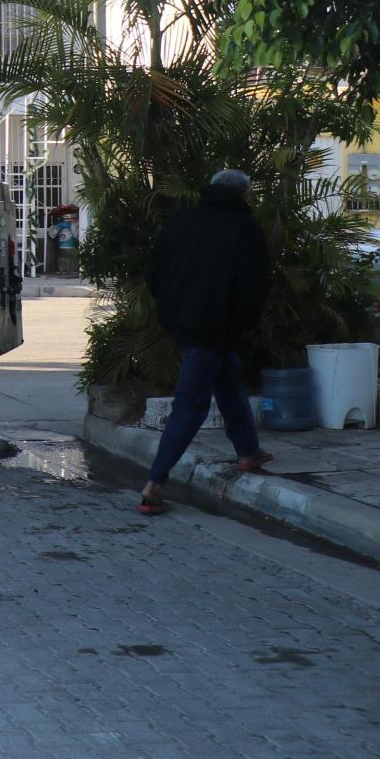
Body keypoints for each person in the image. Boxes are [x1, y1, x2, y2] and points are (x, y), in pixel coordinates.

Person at [138, 169, 275, 514]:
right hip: (214, 328)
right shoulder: (244, 229)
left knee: (229, 383)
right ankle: (154, 483)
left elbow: (154, 273)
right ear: (243, 196)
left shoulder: (182, 220)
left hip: (183, 323)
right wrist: (242, 322)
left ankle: (248, 452)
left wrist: (173, 308)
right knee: (191, 405)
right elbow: (253, 285)